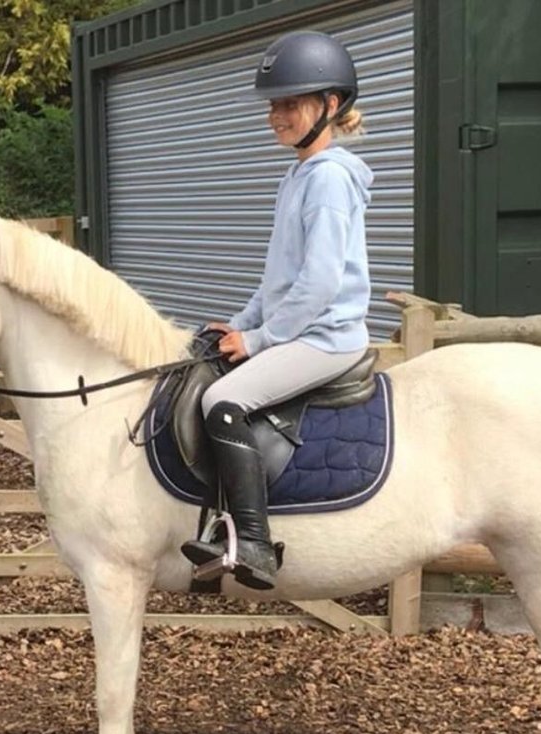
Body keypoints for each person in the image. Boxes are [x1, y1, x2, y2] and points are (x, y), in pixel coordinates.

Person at [180, 31, 374, 591]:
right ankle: (220, 526)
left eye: (290, 103)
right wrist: (241, 324)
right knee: (208, 368)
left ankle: (256, 545)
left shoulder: (330, 179)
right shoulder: (298, 175)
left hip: (327, 337)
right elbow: (278, 280)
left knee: (223, 399)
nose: (277, 116)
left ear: (329, 106)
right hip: (302, 327)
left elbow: (318, 283)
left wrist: (262, 341)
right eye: (274, 105)